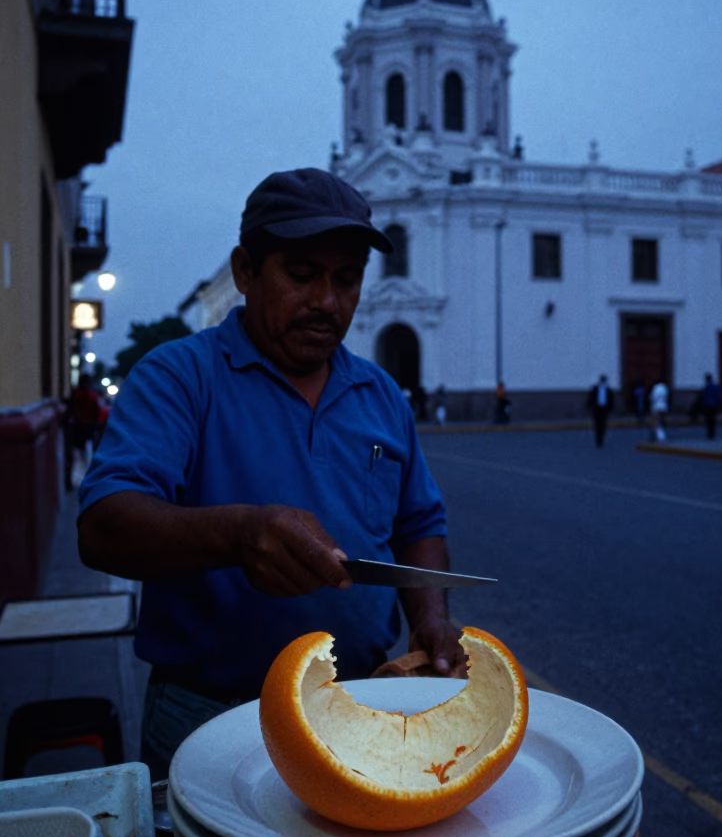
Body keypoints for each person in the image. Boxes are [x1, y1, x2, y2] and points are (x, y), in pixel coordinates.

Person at [77, 167, 466, 780]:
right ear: (245, 272)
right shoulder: (180, 377)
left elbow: (420, 521)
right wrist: (240, 533)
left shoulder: (382, 395)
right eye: (302, 274)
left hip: (359, 704)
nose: (327, 302)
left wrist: (431, 619)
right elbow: (102, 525)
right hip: (208, 717)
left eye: (347, 279)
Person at [63, 373, 104, 489]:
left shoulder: (75, 394)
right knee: (88, 456)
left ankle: (73, 480)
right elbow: (97, 414)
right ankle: (88, 481)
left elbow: (70, 410)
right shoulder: (93, 395)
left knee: (75, 457)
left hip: (76, 428)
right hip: (88, 429)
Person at [586, 374, 615, 447]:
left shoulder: (608, 390)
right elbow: (591, 398)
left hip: (604, 409)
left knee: (603, 424)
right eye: (602, 380)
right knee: (597, 424)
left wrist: (610, 409)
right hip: (597, 408)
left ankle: (601, 437)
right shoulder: (595, 388)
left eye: (604, 380)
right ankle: (598, 439)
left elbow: (611, 400)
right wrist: (590, 407)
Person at [700, 373, 722, 440]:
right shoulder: (715, 386)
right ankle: (712, 434)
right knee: (712, 421)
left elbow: (704, 397)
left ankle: (710, 434)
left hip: (708, 406)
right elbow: (718, 396)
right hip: (713, 406)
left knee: (709, 421)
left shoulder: (707, 387)